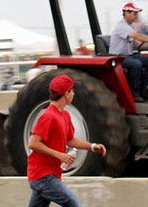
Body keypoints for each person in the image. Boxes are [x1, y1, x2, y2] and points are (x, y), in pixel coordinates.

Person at [27, 74, 106, 207]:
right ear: (66, 93)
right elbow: (33, 143)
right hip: (42, 175)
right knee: (72, 202)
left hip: (50, 174)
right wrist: (60, 155)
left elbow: (70, 140)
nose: (73, 94)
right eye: (72, 90)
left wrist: (92, 147)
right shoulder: (48, 116)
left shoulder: (65, 115)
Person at [109, 2, 148, 102]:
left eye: (137, 13)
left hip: (129, 55)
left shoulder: (130, 26)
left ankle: (146, 90)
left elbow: (135, 44)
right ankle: (134, 94)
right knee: (136, 64)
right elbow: (137, 36)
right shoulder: (122, 26)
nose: (137, 15)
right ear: (126, 13)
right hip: (118, 57)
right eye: (135, 13)